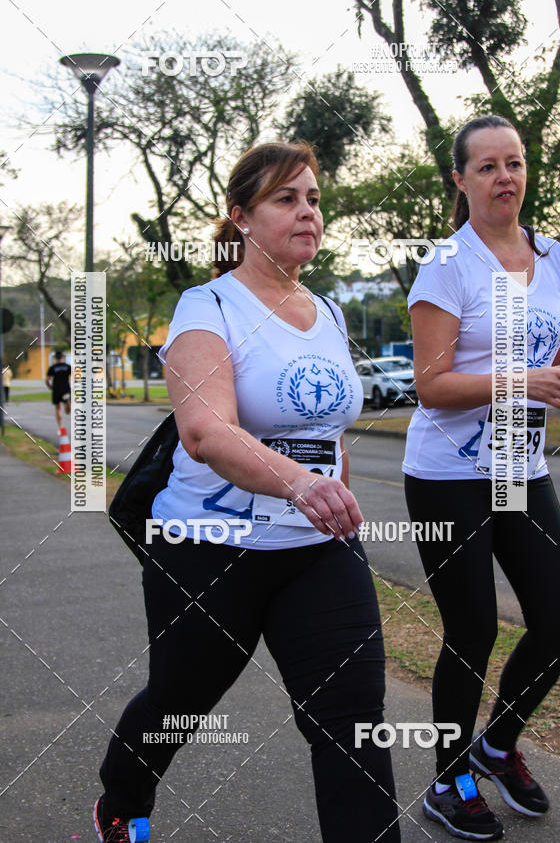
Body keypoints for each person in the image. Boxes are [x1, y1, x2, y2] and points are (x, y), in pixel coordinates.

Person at [94, 142, 402, 843]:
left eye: (314, 199)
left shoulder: (327, 310)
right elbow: (204, 431)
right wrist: (298, 483)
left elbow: (329, 433)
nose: (307, 213)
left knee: (352, 724)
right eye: (285, 199)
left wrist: (333, 508)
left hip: (318, 553)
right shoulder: (206, 307)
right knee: (180, 699)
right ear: (241, 217)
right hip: (208, 549)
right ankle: (123, 798)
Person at [402, 115, 560, 841]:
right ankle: (448, 781)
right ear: (459, 179)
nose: (504, 177)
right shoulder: (447, 264)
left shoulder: (553, 257)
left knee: (557, 621)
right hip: (449, 474)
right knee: (473, 628)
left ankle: (497, 743)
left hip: (522, 465)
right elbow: (430, 385)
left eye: (513, 163)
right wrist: (526, 380)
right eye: (486, 167)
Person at [46, 351, 71, 427]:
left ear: (55, 358)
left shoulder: (52, 368)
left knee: (58, 408)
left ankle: (60, 426)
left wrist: (50, 386)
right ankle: (67, 402)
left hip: (56, 389)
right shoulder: (67, 366)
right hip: (65, 388)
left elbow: (47, 379)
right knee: (67, 410)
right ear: (62, 357)